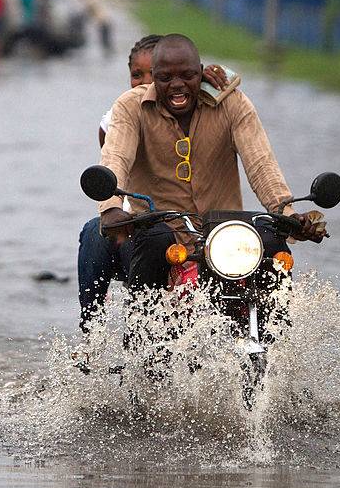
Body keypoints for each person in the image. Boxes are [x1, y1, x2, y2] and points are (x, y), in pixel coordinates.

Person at [96, 33, 321, 295]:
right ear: (154, 78)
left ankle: (277, 332)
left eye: (188, 76)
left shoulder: (232, 102)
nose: (177, 85)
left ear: (201, 73)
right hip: (162, 235)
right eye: (166, 78)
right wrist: (110, 207)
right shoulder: (129, 106)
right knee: (154, 241)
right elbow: (115, 158)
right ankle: (143, 330)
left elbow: (261, 165)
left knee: (272, 243)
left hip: (227, 236)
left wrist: (288, 213)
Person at [77, 35, 236, 331]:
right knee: (95, 233)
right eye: (137, 75)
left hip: (197, 228)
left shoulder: (196, 106)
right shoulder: (120, 115)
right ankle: (96, 333)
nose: (145, 82)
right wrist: (113, 212)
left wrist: (210, 76)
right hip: (140, 224)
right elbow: (112, 161)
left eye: (154, 75)